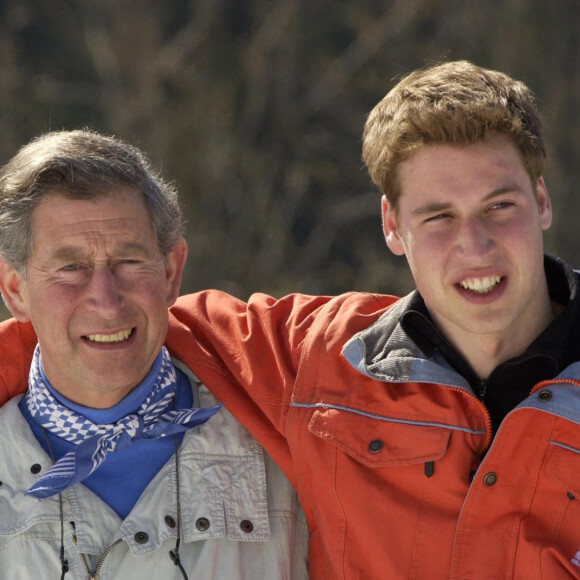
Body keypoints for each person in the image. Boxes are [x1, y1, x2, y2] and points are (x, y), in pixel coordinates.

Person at [2, 60, 580, 579]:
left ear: (542, 199)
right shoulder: (323, 364)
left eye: (500, 206)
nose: (474, 246)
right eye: (437, 217)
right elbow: (95, 334)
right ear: (392, 225)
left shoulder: (300, 380)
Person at [0, 130, 308, 579]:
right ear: (15, 290)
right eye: (70, 268)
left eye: (128, 261)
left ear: (170, 272)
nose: (106, 300)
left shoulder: (287, 452)